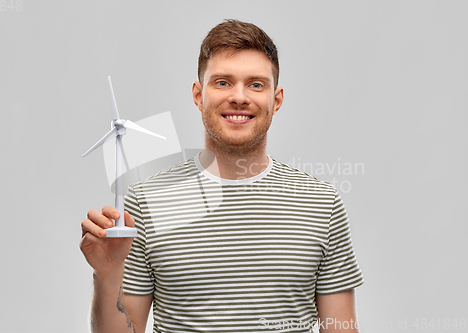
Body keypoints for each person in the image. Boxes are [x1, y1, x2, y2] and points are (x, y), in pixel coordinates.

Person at [80, 19, 364, 333]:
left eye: (256, 84)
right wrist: (106, 276)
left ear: (277, 99)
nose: (239, 97)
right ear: (198, 95)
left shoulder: (320, 203)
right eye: (223, 82)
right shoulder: (147, 202)